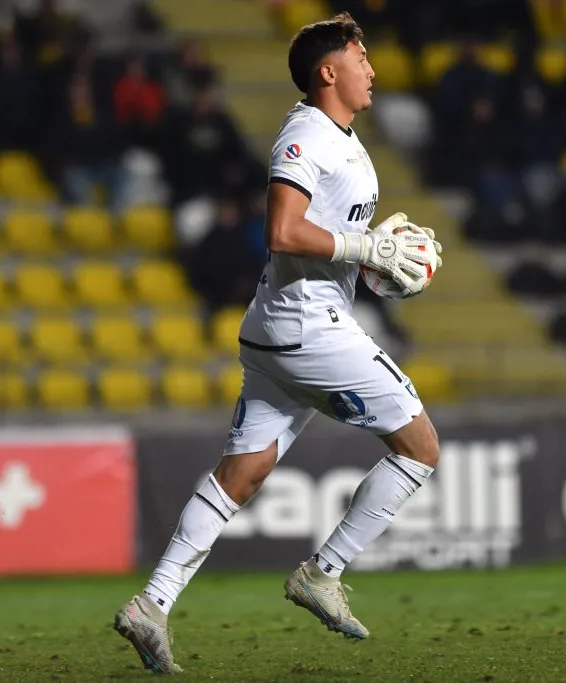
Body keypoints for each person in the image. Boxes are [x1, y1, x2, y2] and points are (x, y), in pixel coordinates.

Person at [113, 13, 443, 674]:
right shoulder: (305, 135)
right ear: (329, 71)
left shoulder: (346, 140)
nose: (372, 69)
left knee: (246, 470)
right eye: (361, 57)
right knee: (420, 447)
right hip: (307, 328)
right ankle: (323, 571)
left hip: (279, 328)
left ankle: (152, 603)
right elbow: (283, 232)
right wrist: (365, 245)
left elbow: (328, 236)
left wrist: (375, 260)